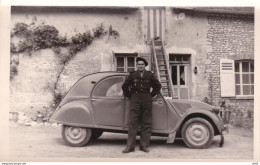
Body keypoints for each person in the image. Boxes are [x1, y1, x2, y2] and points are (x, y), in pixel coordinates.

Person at [122, 57, 162, 153]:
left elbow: (158, 85)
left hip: (146, 99)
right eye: (138, 64)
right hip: (135, 99)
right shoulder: (132, 75)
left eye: (142, 64)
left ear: (145, 66)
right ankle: (130, 146)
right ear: (137, 65)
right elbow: (124, 86)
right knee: (132, 122)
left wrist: (151, 95)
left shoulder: (150, 75)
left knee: (146, 123)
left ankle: (144, 146)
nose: (140, 66)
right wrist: (130, 96)